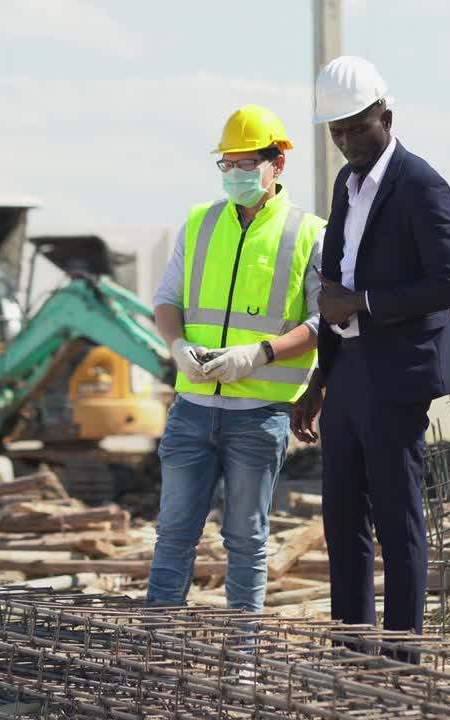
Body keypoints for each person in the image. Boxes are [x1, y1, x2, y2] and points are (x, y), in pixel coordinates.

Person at [291, 56, 450, 642]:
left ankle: (400, 661)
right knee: (342, 519)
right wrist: (318, 383)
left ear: (385, 117)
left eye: (355, 128)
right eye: (335, 131)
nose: (345, 142)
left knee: (397, 520)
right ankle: (352, 653)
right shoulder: (346, 186)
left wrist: (364, 302)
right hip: (347, 372)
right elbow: (333, 290)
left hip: (397, 374)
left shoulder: (421, 185)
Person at [146, 105, 326, 613]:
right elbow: (167, 300)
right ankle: (157, 647)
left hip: (260, 415)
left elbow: (323, 323)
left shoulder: (309, 233)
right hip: (192, 409)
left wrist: (258, 354)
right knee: (174, 532)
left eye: (248, 165)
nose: (236, 175)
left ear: (278, 165)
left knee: (246, 539)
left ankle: (241, 655)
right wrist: (177, 347)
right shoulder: (200, 223)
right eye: (228, 165)